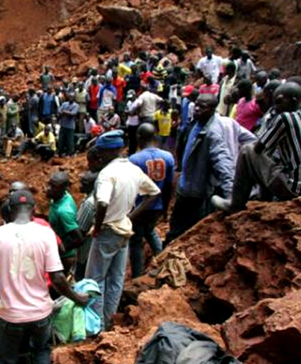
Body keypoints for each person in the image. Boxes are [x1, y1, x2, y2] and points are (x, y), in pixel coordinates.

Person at [0, 190, 88, 364]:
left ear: (9, 210)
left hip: (10, 315)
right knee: (41, 351)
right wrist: (76, 297)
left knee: (5, 363)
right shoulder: (45, 234)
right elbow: (58, 278)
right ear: (34, 210)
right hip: (40, 313)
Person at [86, 131, 160, 329]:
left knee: (96, 278)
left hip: (108, 229)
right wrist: (131, 216)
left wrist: (97, 227)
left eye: (101, 151)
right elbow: (154, 192)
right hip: (124, 228)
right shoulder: (133, 170)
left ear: (108, 151)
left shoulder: (107, 174)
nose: (99, 155)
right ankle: (109, 319)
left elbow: (101, 202)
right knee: (116, 278)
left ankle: (97, 325)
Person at [165, 94, 245, 244]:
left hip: (196, 193)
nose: (197, 109)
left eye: (203, 107)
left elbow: (223, 162)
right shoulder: (196, 125)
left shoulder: (212, 133)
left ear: (212, 109)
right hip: (185, 186)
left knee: (181, 233)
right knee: (176, 227)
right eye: (197, 105)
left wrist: (230, 196)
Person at [212, 82, 301, 212]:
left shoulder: (286, 118)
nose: (275, 107)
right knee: (271, 161)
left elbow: (259, 148)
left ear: (293, 101)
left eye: (279, 102)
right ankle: (263, 198)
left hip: (293, 188)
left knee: (247, 151)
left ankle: (235, 203)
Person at [128, 124, 175, 278]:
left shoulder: (134, 160)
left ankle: (137, 275)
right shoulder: (168, 157)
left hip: (139, 207)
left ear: (139, 138)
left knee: (136, 241)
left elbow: (131, 189)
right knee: (150, 231)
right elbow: (169, 186)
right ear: (155, 136)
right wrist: (166, 209)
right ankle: (163, 262)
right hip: (157, 206)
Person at [46, 172, 83, 268]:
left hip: (64, 258)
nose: (48, 188)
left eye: (53, 186)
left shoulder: (63, 212)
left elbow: (78, 239)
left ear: (63, 189)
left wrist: (60, 250)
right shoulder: (62, 197)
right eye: (49, 184)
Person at [74, 169, 99, 281]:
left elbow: (81, 231)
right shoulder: (94, 197)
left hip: (85, 249)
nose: (80, 186)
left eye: (84, 183)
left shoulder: (90, 203)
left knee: (81, 275)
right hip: (93, 246)